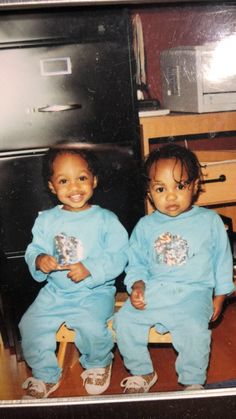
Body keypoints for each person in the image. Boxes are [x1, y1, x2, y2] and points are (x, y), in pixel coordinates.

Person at [114, 143, 234, 393]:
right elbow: (136, 262)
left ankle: (192, 381)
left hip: (194, 293)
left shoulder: (209, 221)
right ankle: (142, 372)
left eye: (179, 186)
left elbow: (222, 260)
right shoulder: (145, 226)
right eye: (160, 188)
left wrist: (220, 296)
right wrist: (137, 285)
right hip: (156, 291)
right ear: (149, 192)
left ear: (194, 186)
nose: (170, 196)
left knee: (194, 331)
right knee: (124, 320)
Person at [19, 143, 128, 399]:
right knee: (30, 324)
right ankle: (45, 375)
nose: (74, 187)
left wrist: (91, 268)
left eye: (81, 178)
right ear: (51, 186)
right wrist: (39, 259)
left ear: (94, 180)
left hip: (94, 293)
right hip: (55, 293)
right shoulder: (46, 220)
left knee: (91, 325)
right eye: (64, 181)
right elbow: (32, 249)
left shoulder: (105, 220)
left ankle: (98, 363)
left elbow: (120, 254)